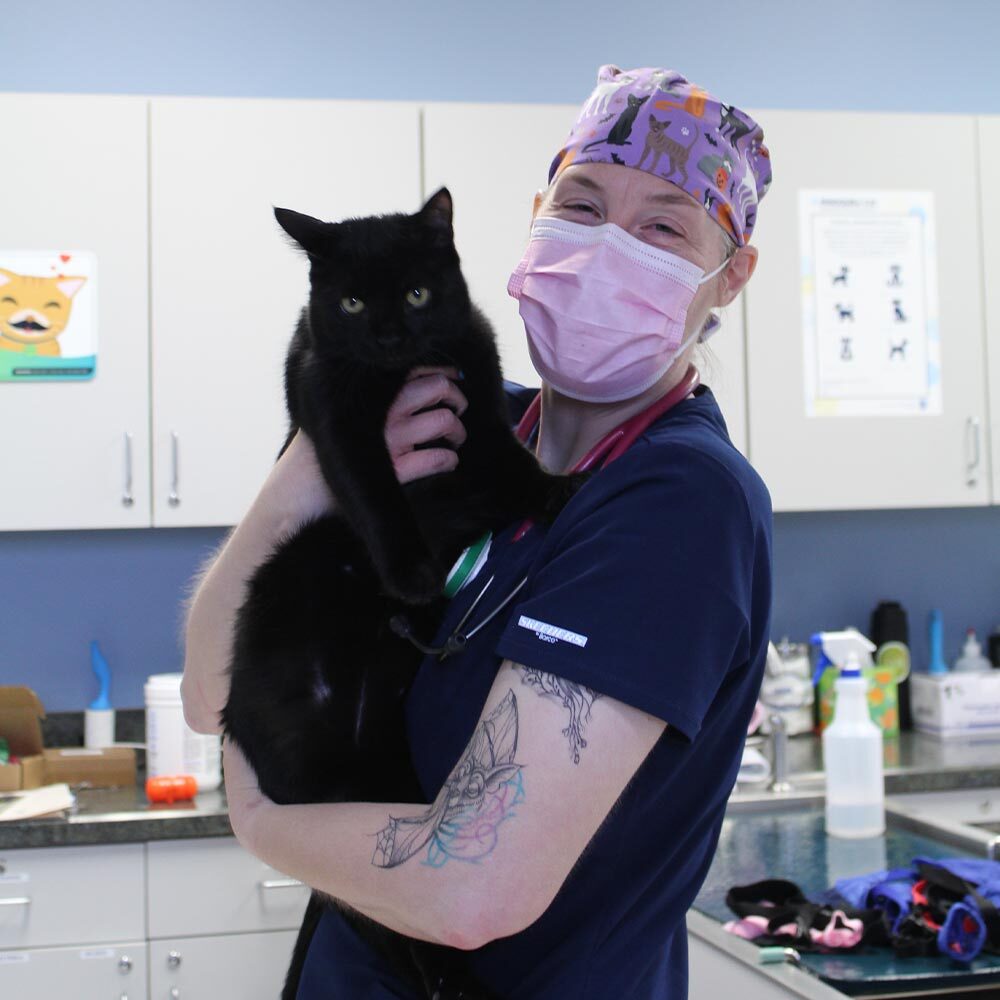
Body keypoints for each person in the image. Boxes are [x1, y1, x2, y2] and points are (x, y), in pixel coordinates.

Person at [182, 64, 773, 999]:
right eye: (580, 205)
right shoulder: (455, 424)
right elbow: (213, 687)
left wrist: (258, 823)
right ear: (536, 216)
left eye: (662, 224)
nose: (606, 244)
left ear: (729, 275)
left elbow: (471, 888)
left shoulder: (678, 501)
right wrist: (308, 472)